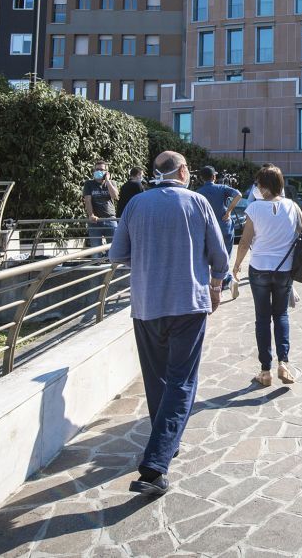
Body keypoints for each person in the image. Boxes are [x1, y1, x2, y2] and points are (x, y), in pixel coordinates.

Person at [110, 150, 230, 496]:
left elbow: (117, 254)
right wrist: (217, 285)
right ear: (181, 171)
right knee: (181, 382)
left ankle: (165, 440)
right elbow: (219, 256)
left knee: (157, 380)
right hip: (187, 305)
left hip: (146, 305)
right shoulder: (197, 203)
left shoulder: (136, 205)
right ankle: (155, 465)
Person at [231, 164, 302, 387]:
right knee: (281, 315)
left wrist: (236, 266)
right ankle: (283, 362)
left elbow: (244, 242)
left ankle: (265, 371)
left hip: (260, 267)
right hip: (284, 269)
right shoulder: (292, 206)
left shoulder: (254, 209)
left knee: (262, 318)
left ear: (262, 187)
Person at [197, 166, 244, 297]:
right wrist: (228, 211)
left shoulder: (199, 192)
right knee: (225, 257)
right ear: (214, 177)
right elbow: (238, 195)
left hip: (208, 229)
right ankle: (227, 281)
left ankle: (218, 285)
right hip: (225, 226)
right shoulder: (222, 188)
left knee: (208, 258)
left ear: (201, 178)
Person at [83, 161, 120, 247]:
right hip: (95, 220)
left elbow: (115, 196)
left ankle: (111, 261)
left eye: (102, 169)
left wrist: (107, 180)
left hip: (110, 219)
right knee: (96, 249)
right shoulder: (89, 184)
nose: (99, 171)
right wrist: (91, 215)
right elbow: (87, 200)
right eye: (97, 169)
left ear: (106, 172)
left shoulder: (112, 183)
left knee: (113, 248)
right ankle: (97, 261)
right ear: (94, 171)